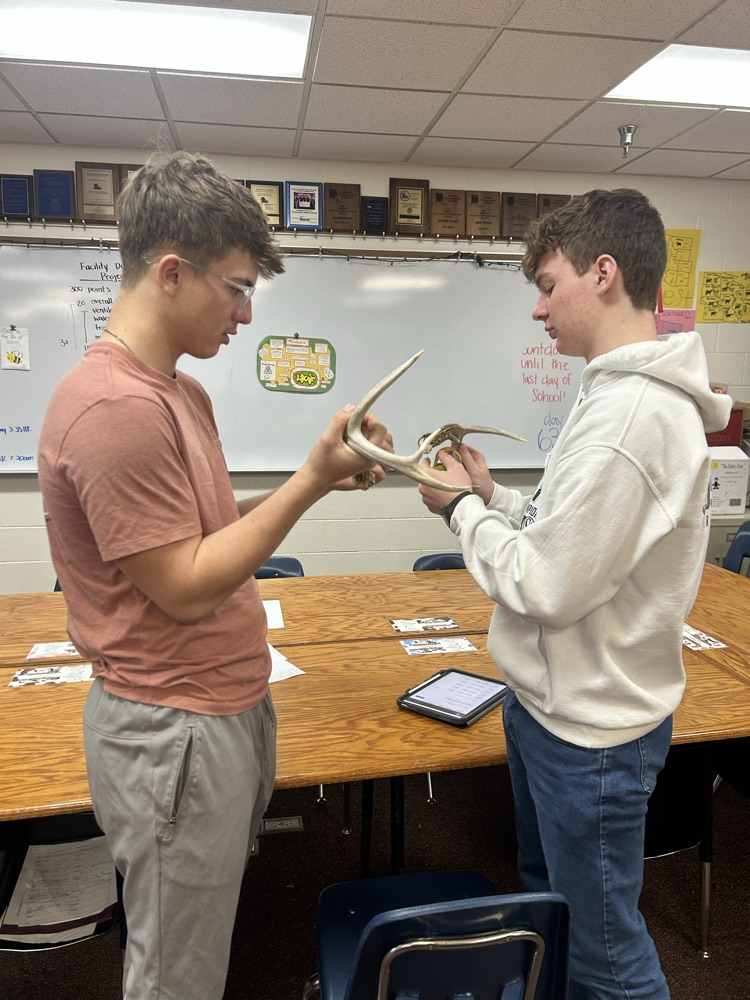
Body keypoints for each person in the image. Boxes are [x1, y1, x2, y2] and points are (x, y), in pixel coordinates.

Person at [37, 150, 390, 1000]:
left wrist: (319, 468)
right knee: (175, 975)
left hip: (218, 710)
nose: (245, 310)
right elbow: (189, 585)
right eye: (234, 287)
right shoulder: (115, 407)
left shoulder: (176, 395)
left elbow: (209, 537)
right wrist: (308, 482)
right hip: (174, 730)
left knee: (199, 943)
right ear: (169, 272)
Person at [417, 188, 732, 999]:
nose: (537, 308)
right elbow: (578, 541)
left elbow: (546, 583)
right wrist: (493, 503)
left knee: (604, 955)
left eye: (547, 285)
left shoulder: (633, 414)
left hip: (589, 734)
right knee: (550, 914)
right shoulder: (609, 392)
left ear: (603, 273)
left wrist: (459, 512)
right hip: (550, 708)